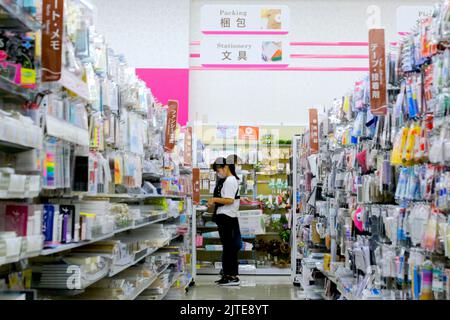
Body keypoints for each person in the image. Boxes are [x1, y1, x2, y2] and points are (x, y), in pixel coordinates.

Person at [208, 157, 242, 286]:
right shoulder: (227, 180)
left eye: (218, 170)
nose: (218, 172)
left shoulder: (230, 181)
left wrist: (214, 200)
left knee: (229, 248)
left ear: (226, 167)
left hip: (227, 217)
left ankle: (231, 276)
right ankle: (228, 275)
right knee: (229, 247)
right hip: (226, 217)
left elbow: (229, 200)